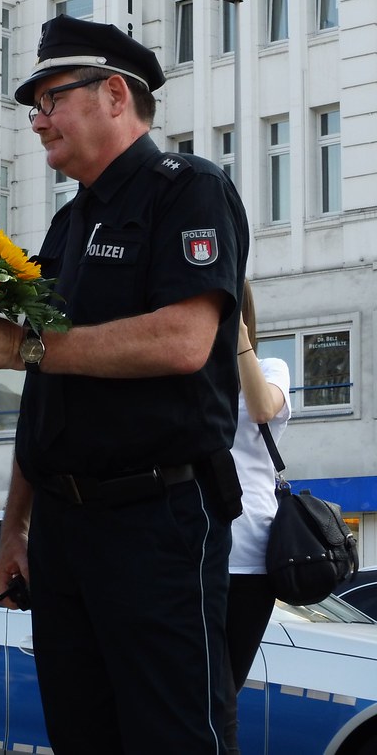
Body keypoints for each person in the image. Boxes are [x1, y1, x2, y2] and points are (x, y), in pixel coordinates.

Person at [0, 15, 250, 753]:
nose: (37, 121)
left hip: (157, 516)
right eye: (32, 107)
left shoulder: (189, 190)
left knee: (173, 735)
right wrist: (15, 526)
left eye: (49, 99)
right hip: (65, 530)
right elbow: (45, 391)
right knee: (80, 734)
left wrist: (21, 343)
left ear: (111, 94)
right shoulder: (67, 228)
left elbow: (183, 340)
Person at [223, 281, 290, 751]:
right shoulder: (192, 376)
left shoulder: (271, 368)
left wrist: (238, 336)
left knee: (223, 692)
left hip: (249, 560)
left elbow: (263, 408)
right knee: (189, 688)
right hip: (192, 550)